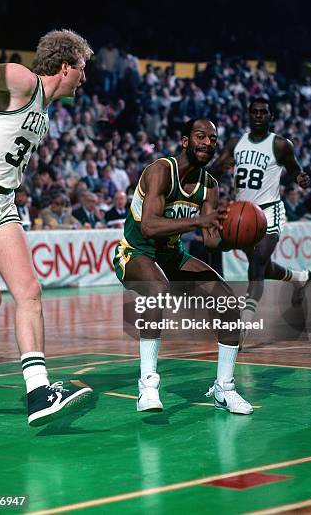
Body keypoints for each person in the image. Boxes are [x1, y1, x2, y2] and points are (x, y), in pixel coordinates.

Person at [0, 29, 93, 426]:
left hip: (3, 203)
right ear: (66, 66)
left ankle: (38, 393)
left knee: (30, 292)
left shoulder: (45, 112)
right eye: (82, 69)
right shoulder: (22, 81)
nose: (84, 79)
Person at [114, 118, 253, 415]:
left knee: (228, 304)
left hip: (171, 255)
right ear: (185, 141)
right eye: (200, 136)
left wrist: (240, 237)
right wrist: (199, 221)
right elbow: (149, 226)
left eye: (213, 139)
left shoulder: (209, 185)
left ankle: (223, 389)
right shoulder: (161, 171)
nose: (207, 143)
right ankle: (148, 386)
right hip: (135, 251)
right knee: (157, 290)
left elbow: (212, 240)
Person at [213, 98, 311, 346]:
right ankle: (299, 278)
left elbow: (294, 169)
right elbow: (215, 169)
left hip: (269, 211)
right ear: (248, 115)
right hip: (242, 215)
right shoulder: (236, 143)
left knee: (256, 265)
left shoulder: (280, 145)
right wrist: (216, 169)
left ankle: (244, 326)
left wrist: (300, 178)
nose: (258, 115)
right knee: (263, 268)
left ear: (271, 116)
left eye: (263, 112)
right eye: (254, 111)